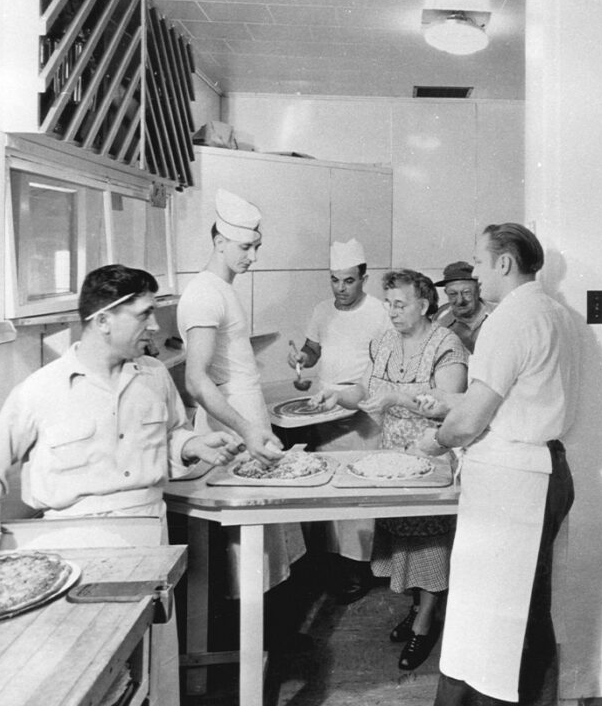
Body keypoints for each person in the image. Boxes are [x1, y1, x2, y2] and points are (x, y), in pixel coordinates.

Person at [0, 264, 240, 706]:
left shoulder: (154, 376)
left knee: (151, 675)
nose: (155, 325)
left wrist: (193, 445)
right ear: (103, 321)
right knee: (81, 676)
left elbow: (168, 439)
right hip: (68, 548)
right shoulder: (40, 389)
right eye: (144, 314)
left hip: (147, 536)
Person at [413, 223, 580, 706]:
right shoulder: (554, 311)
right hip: (540, 469)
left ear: (504, 263)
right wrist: (452, 405)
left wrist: (438, 438)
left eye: (480, 263)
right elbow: (520, 394)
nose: (475, 274)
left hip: (515, 482)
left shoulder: (509, 318)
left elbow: (470, 424)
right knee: (521, 609)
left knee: (497, 617)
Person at [314, 269, 467, 670]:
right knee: (405, 541)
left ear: (424, 304)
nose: (393, 313)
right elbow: (365, 390)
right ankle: (421, 609)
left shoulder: (445, 345)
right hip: (393, 462)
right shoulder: (384, 341)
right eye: (389, 305)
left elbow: (453, 403)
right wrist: (337, 397)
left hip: (431, 455)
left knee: (430, 542)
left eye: (400, 305)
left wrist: (398, 396)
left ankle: (425, 623)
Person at [178, 188, 305, 596]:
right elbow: (196, 380)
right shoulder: (203, 294)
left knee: (262, 531)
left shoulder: (222, 289)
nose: (253, 256)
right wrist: (246, 429)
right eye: (246, 247)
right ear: (219, 242)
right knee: (244, 541)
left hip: (245, 417)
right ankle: (247, 638)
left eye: (257, 246)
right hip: (230, 424)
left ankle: (266, 630)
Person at [287, 238, 388, 604]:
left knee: (358, 491)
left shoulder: (379, 312)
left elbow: (383, 366)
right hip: (325, 407)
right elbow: (314, 350)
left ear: (364, 278)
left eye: (348, 281)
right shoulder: (321, 310)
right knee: (327, 486)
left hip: (362, 411)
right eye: (334, 280)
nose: (340, 289)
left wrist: (357, 396)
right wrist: (301, 357)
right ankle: (330, 564)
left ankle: (358, 567)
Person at [434, 261, 494, 353]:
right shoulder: (440, 325)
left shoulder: (498, 314)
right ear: (446, 293)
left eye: (466, 292)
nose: (460, 301)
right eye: (453, 294)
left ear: (478, 290)